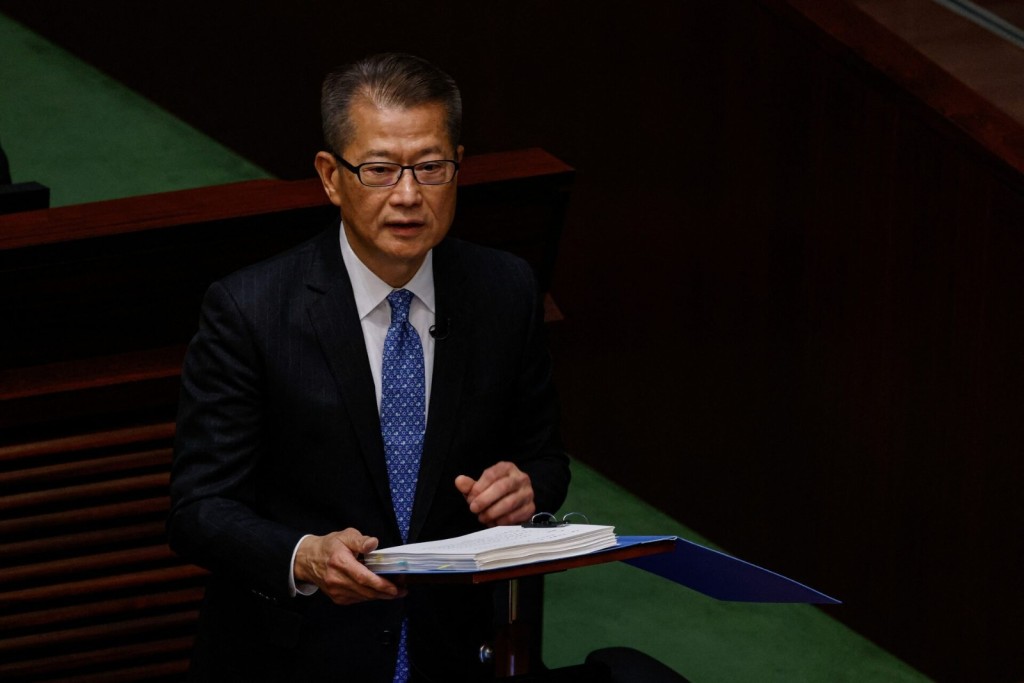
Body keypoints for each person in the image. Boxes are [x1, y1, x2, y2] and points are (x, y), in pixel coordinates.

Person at [167, 52, 570, 682]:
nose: (408, 196)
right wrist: (305, 557)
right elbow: (199, 510)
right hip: (298, 657)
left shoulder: (504, 291)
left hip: (456, 652)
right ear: (331, 177)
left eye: (431, 168)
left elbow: (545, 462)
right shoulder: (251, 310)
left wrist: (525, 489)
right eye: (379, 170)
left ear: (458, 167)